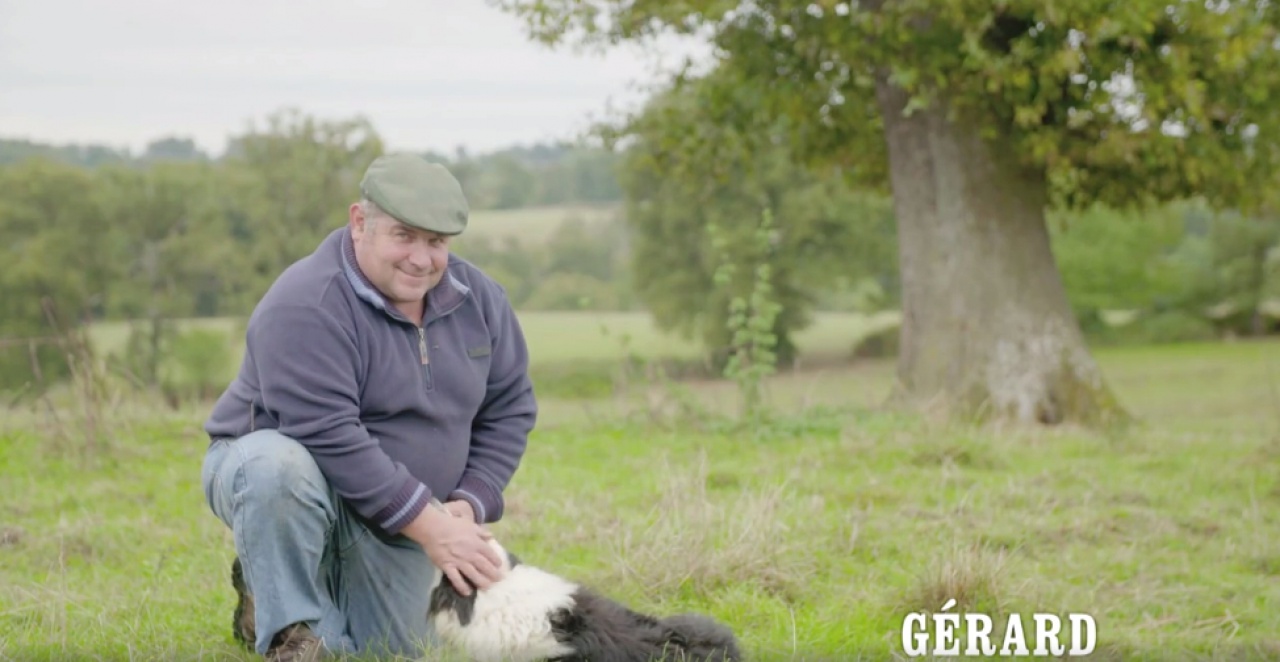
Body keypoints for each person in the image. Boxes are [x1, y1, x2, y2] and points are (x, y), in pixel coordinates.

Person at [200, 153, 538, 661]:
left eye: (436, 242)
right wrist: (432, 527)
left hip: (402, 510)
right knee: (274, 467)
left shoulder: (481, 300)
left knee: (392, 652)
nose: (421, 259)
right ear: (360, 222)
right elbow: (327, 433)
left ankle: (263, 594)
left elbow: (509, 408)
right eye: (404, 236)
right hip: (297, 481)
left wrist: (466, 504)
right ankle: (287, 627)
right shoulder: (305, 303)